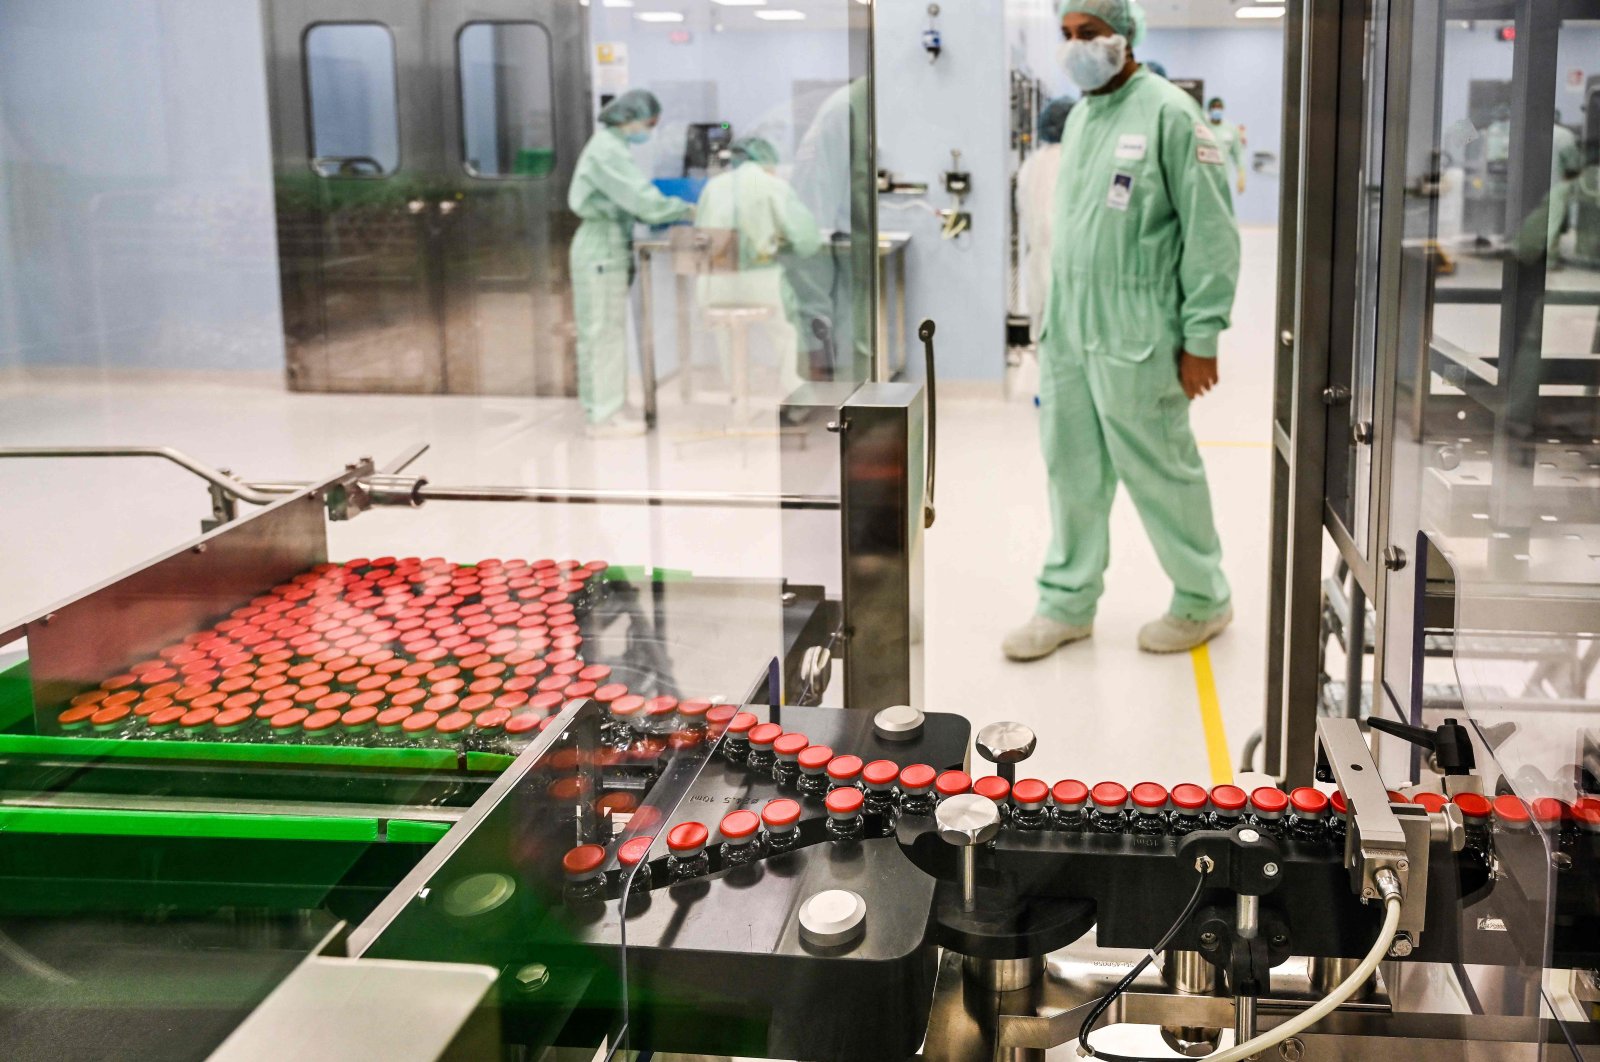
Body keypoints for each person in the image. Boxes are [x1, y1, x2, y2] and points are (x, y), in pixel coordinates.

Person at [1003, 0, 1240, 660]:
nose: (1077, 45)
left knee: (1161, 469)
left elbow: (1212, 235)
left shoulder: (1168, 113)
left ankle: (1203, 598)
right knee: (1070, 469)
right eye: (1068, 34)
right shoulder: (1081, 116)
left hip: (1137, 329)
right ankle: (1066, 604)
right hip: (1070, 330)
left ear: (1124, 35)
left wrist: (1202, 337)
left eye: (1091, 33)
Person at [568, 90, 694, 438]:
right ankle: (602, 418)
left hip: (608, 244)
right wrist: (686, 208)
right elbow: (643, 201)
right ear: (630, 118)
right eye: (650, 123)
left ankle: (609, 404)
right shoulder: (607, 151)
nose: (649, 131)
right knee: (601, 334)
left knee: (607, 332)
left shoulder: (612, 147)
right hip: (599, 248)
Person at [694, 136, 824, 407]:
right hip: (759, 280)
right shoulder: (772, 186)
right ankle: (797, 398)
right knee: (785, 334)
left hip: (714, 282)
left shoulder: (712, 187)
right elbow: (806, 241)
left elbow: (701, 235)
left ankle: (738, 396)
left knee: (726, 335)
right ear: (767, 162)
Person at [1017, 98, 1074, 339]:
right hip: (1069, 270)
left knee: (1046, 342)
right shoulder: (1074, 161)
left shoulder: (1031, 164)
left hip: (1038, 265)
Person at [1206, 97, 1248, 197]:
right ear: (1209, 109)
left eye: (1219, 107)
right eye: (1214, 107)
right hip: (1205, 176)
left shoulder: (1230, 129)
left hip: (1223, 177)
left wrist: (1241, 176)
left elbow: (1238, 154)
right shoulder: (1203, 127)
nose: (1217, 110)